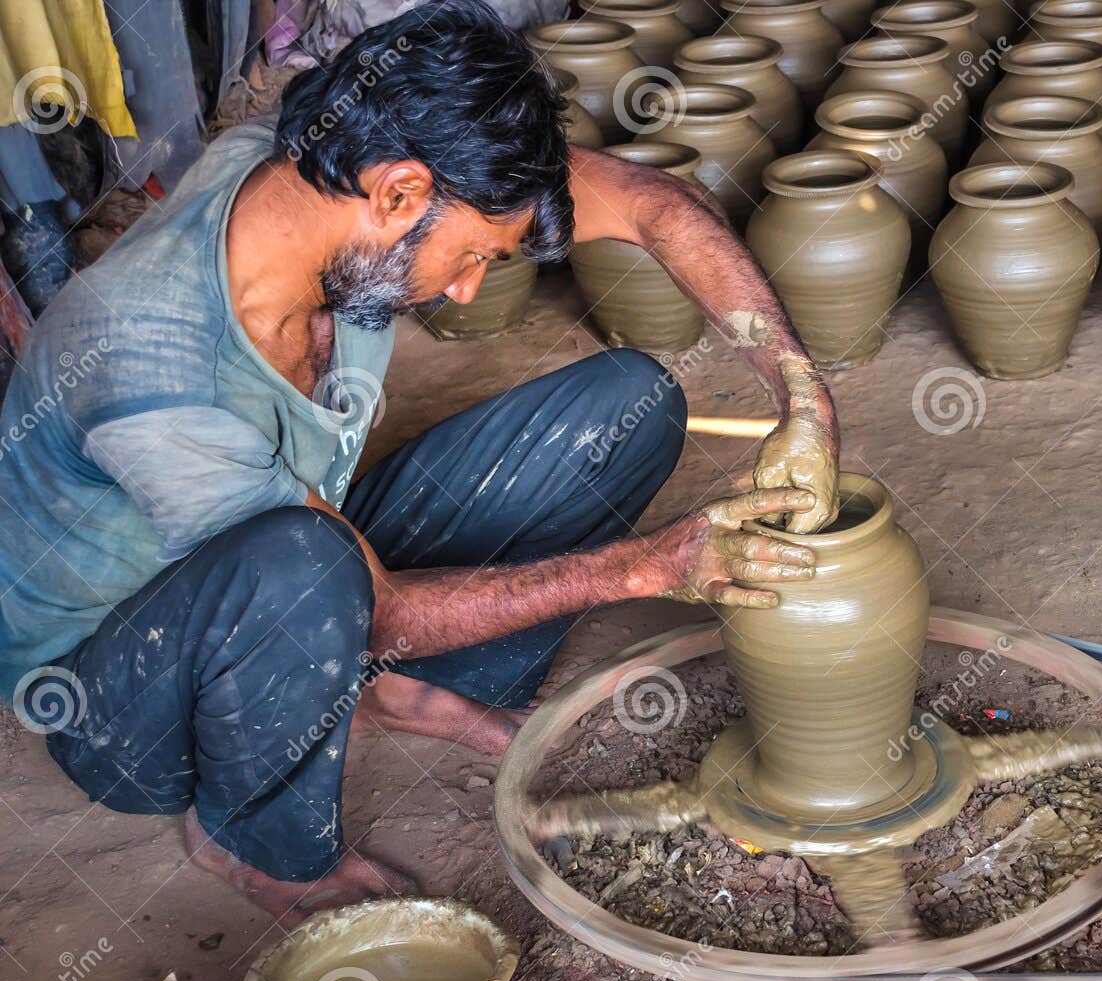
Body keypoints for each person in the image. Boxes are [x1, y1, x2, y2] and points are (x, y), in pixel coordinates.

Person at [0, 0, 840, 924]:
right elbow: (376, 605)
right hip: (123, 699)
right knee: (304, 567)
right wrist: (652, 567)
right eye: (476, 253)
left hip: (304, 555)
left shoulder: (299, 168)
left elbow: (653, 204)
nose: (472, 286)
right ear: (398, 193)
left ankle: (391, 693)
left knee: (627, 405)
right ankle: (257, 839)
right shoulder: (146, 365)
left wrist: (802, 396)